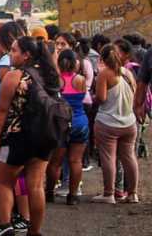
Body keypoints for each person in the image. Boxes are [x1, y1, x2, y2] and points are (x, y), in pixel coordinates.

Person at [0, 36, 59, 236]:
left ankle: (4, 225)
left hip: (16, 137)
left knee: (4, 181)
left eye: (14, 50)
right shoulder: (48, 75)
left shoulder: (14, 76)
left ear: (26, 55)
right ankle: (35, 230)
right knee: (36, 185)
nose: (10, 54)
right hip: (44, 137)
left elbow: (2, 110)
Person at [91, 45, 140, 204]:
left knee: (108, 157)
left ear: (102, 59)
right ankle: (133, 193)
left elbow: (101, 98)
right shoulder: (128, 73)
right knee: (129, 157)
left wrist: (93, 97)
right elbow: (135, 92)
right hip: (129, 122)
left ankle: (109, 193)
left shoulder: (104, 74)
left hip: (108, 122)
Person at [44, 50, 88, 205]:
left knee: (55, 162)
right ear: (75, 63)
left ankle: (49, 192)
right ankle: (73, 196)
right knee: (76, 160)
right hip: (79, 120)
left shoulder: (56, 81)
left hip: (60, 122)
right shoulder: (80, 79)